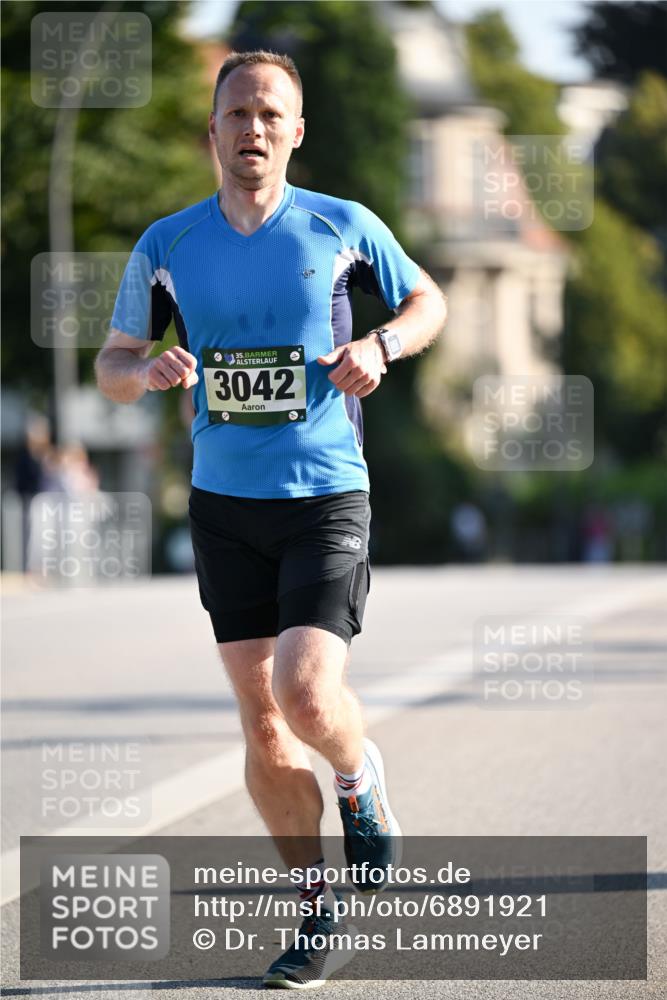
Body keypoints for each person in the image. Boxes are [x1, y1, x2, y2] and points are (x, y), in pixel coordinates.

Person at [96, 50, 447, 988]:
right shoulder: (166, 246)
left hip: (327, 494)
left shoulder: (341, 224)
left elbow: (427, 301)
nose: (251, 128)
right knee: (260, 725)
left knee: (305, 694)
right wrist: (145, 371)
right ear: (211, 132)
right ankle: (313, 909)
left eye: (269, 114)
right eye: (235, 113)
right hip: (223, 508)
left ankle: (356, 776)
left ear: (295, 132)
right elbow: (113, 361)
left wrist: (381, 343)